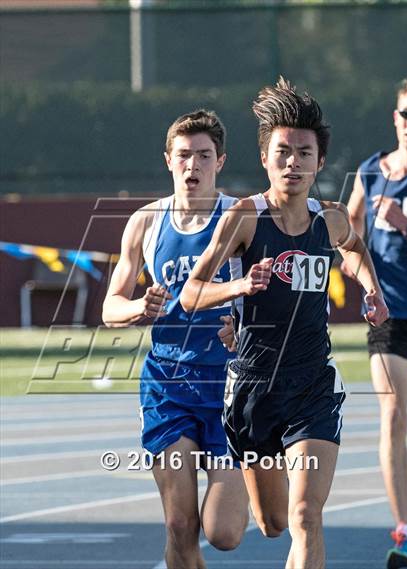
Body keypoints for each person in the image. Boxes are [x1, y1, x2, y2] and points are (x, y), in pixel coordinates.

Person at [181, 77, 389, 569]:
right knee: (274, 522)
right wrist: (238, 288)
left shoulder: (330, 219)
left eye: (304, 152)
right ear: (264, 158)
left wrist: (371, 289)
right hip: (254, 389)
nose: (293, 162)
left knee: (305, 516)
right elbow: (191, 294)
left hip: (313, 385)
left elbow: (355, 250)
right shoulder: (244, 219)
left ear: (319, 161)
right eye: (282, 152)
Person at [102, 109, 249, 569]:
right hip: (169, 382)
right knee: (178, 525)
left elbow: (273, 298)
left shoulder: (241, 218)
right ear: (168, 160)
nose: (193, 166)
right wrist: (138, 309)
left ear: (219, 162)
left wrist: (243, 327)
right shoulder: (145, 223)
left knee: (222, 534)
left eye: (203, 156)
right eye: (184, 155)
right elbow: (111, 306)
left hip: (229, 385)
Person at [344, 76, 407, 569]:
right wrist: (365, 282)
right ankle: (406, 534)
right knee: (392, 416)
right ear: (395, 118)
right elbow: (347, 240)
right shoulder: (371, 173)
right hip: (391, 314)